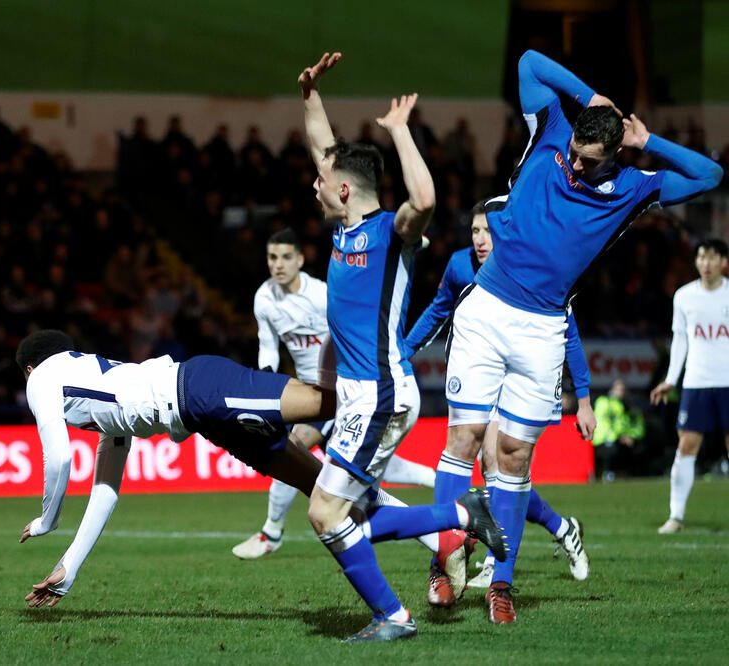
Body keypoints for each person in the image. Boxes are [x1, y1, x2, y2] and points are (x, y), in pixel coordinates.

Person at [432, 49, 723, 624]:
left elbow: (710, 175)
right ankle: (444, 565)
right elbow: (528, 61)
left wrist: (650, 141)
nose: (573, 162)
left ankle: (503, 582)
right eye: (574, 152)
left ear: (614, 154)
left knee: (513, 458)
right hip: (486, 309)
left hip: (544, 328)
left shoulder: (636, 186)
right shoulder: (555, 129)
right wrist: (589, 97)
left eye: (589, 160)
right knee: (463, 442)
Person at [17, 330, 508, 616]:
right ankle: (451, 528)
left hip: (201, 387)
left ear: (29, 369)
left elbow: (57, 458)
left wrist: (47, 520)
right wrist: (68, 568)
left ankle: (396, 390)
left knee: (327, 402)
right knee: (323, 487)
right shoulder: (102, 403)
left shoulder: (42, 377)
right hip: (202, 415)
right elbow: (105, 490)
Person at [299, 52, 463, 643]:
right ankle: (465, 521)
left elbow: (425, 201)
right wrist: (311, 94)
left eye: (321, 182)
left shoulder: (391, 232)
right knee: (358, 508)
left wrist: (399, 133)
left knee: (325, 512)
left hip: (379, 393)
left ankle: (393, 617)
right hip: (358, 396)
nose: (313, 184)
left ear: (343, 190)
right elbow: (325, 149)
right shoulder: (344, 227)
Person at [404, 202, 595, 596]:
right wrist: (400, 353)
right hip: (476, 373)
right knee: (487, 468)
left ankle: (493, 559)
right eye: (474, 230)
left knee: (497, 464)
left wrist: (586, 396)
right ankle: (559, 528)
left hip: (519, 380)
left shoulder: (535, 263)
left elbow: (568, 332)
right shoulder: (460, 266)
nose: (480, 239)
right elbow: (437, 313)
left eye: (487, 231)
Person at [232, 228, 436, 560]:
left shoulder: (322, 295)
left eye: (285, 257)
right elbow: (268, 349)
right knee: (370, 480)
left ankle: (271, 533)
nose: (278, 265)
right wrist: (268, 386)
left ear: (300, 259)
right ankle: (443, 498)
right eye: (272, 257)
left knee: (290, 449)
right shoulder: (264, 298)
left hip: (341, 390)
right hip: (308, 392)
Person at [650, 238, 729, 533]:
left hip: (728, 381)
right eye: (701, 257)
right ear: (695, 261)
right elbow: (680, 341)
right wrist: (671, 380)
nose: (706, 263)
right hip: (697, 382)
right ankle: (676, 516)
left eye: (712, 257)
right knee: (686, 446)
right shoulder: (684, 297)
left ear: (723, 261)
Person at [593, 378, 645, 482]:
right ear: (612, 390)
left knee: (640, 447)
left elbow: (635, 425)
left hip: (623, 438)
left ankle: (631, 476)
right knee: (613, 447)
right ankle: (608, 474)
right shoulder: (604, 402)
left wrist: (631, 436)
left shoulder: (630, 406)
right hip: (605, 439)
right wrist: (620, 436)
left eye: (623, 389)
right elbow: (604, 424)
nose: (621, 392)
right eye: (618, 389)